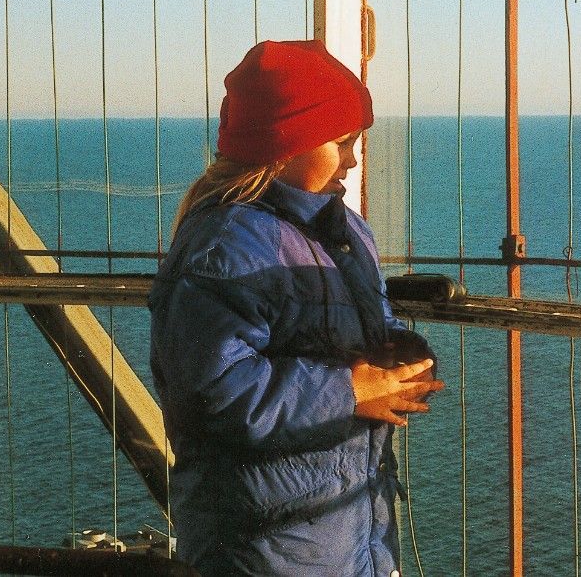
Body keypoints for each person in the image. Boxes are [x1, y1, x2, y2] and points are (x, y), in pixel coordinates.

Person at [148, 39, 444, 576]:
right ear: (288, 144)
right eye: (342, 142)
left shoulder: (345, 230)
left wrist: (396, 355)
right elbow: (211, 393)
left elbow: (364, 322)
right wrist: (350, 391)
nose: (353, 158)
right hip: (263, 552)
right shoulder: (226, 247)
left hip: (344, 535)